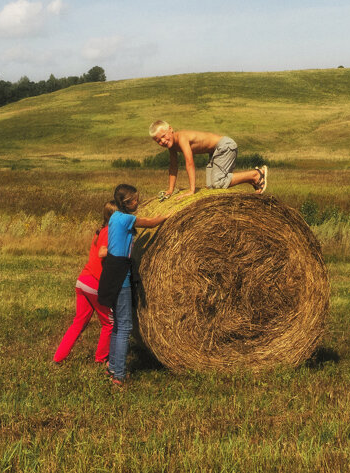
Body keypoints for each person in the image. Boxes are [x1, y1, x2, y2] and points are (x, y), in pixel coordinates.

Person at [97, 184, 168, 386]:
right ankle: (118, 374)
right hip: (121, 275)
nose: (138, 202)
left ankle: (112, 366)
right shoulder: (128, 218)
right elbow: (151, 223)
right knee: (125, 326)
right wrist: (169, 217)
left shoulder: (114, 218)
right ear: (127, 203)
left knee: (119, 325)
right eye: (136, 200)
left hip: (111, 271)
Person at [52, 210, 113, 364]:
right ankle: (101, 359)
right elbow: (102, 253)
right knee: (109, 323)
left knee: (79, 322)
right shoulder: (107, 232)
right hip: (94, 283)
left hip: (83, 281)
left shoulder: (98, 232)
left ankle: (58, 357)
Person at [149, 120, 268, 197]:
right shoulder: (172, 147)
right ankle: (250, 180)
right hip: (215, 152)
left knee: (218, 182)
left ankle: (256, 175)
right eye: (158, 140)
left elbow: (189, 163)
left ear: (170, 129)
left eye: (163, 136)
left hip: (225, 146)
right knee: (211, 186)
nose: (163, 141)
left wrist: (192, 190)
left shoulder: (182, 138)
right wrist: (170, 190)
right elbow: (173, 167)